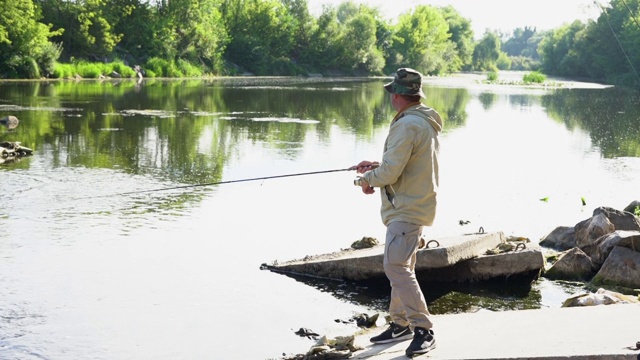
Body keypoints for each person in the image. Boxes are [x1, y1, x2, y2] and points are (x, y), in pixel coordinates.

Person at [350, 68, 442, 358]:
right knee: (402, 265)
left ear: (397, 95)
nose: (391, 96)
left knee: (395, 267)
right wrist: (375, 166)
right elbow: (402, 162)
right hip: (415, 202)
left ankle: (423, 329)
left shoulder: (406, 125)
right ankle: (400, 324)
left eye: (392, 91)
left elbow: (391, 171)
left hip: (407, 207)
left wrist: (365, 179)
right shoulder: (421, 120)